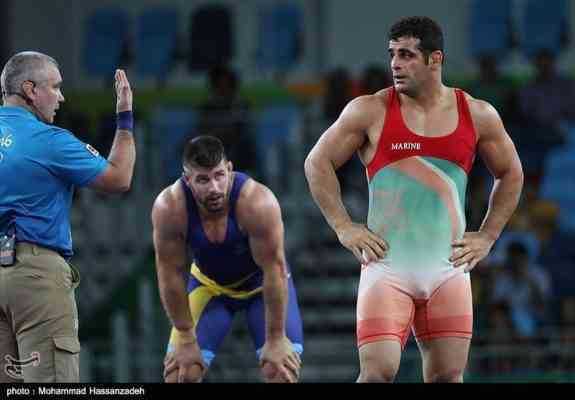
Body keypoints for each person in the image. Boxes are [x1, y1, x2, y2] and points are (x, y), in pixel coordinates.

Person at [304, 16, 523, 383]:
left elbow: (512, 173)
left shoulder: (477, 114)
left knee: (447, 378)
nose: (394, 64)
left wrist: (488, 236)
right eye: (392, 54)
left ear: (434, 59)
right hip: (387, 269)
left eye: (406, 55)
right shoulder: (370, 111)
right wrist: (343, 226)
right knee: (376, 374)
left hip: (447, 270)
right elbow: (317, 162)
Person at [0, 51, 135, 382]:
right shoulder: (50, 141)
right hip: (35, 277)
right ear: (30, 90)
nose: (62, 97)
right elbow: (119, 178)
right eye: (55, 87)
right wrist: (125, 118)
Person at [152, 135, 303, 383]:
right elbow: (169, 274)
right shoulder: (169, 207)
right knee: (180, 374)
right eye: (202, 179)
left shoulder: (257, 202)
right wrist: (186, 337)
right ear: (187, 179)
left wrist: (276, 339)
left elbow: (274, 271)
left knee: (281, 371)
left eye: (219, 176)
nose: (213, 187)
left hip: (262, 288)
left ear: (230, 170)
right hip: (210, 288)